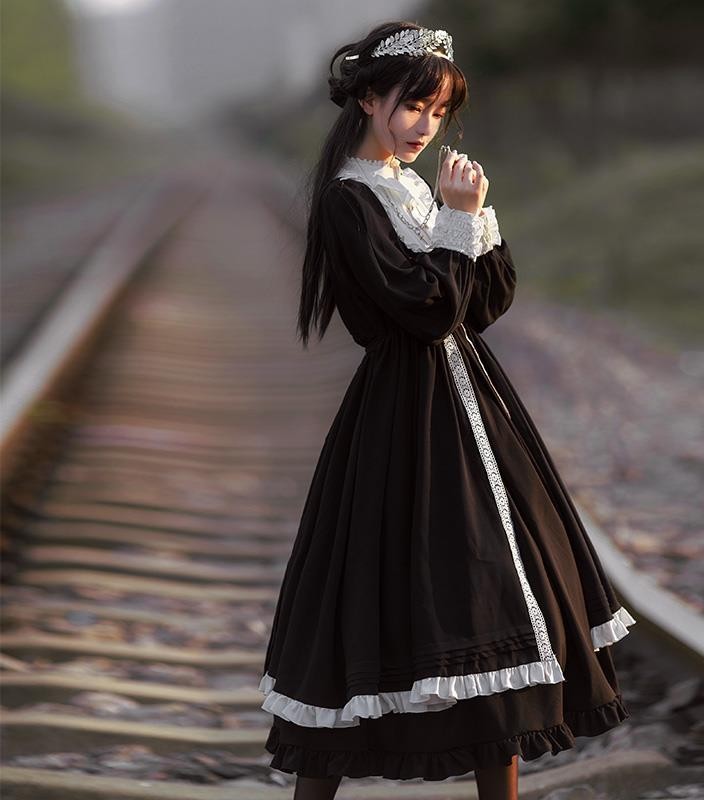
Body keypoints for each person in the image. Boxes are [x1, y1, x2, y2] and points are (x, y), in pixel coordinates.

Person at [259, 20, 637, 800]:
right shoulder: (347, 200)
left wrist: (473, 215)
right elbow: (424, 313)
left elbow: (478, 305)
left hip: (471, 405)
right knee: (406, 590)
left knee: (498, 584)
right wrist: (456, 224)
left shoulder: (408, 188)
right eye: (412, 107)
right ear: (368, 99)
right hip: (406, 416)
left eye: (437, 112)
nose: (425, 126)